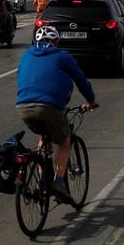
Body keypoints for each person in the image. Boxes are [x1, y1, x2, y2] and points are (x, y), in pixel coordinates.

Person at [16, 26, 99, 200]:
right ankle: (59, 182)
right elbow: (81, 80)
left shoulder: (26, 55)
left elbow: (23, 77)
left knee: (43, 137)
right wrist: (91, 101)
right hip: (48, 107)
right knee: (65, 141)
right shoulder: (62, 56)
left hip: (23, 106)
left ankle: (40, 182)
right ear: (55, 42)